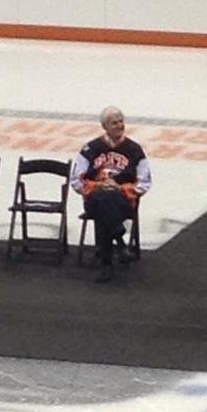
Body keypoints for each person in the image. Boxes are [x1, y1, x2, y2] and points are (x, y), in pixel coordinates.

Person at [71, 107, 151, 283]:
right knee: (103, 198)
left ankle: (107, 263)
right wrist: (99, 185)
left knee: (107, 202)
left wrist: (120, 188)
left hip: (123, 200)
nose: (119, 125)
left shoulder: (134, 150)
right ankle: (118, 236)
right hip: (95, 196)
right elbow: (76, 180)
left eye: (121, 121)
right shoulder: (90, 148)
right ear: (104, 126)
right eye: (114, 123)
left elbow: (145, 182)